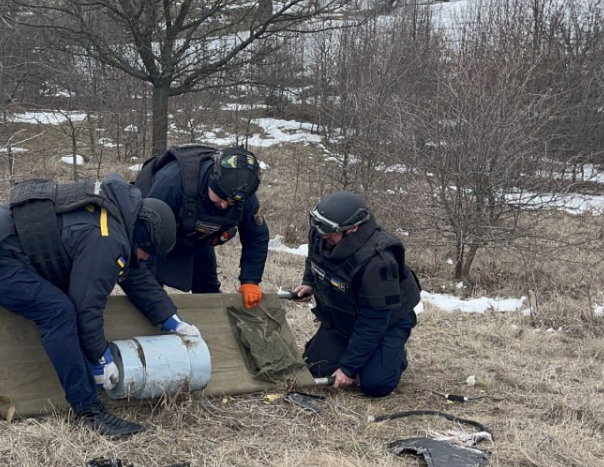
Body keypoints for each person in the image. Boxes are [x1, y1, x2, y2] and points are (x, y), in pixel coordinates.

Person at [0, 174, 200, 437]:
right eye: (148, 252)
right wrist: (100, 360)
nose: (147, 258)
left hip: (1, 247)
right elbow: (86, 307)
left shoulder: (117, 217)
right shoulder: (107, 239)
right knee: (57, 311)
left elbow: (133, 273)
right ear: (143, 235)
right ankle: (89, 411)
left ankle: (87, 402)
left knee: (61, 307)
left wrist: (171, 319)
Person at [290, 191, 420, 397]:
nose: (322, 235)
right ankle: (361, 352)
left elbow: (374, 320)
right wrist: (309, 282)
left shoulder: (378, 262)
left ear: (353, 228)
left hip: (387, 322)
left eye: (329, 232)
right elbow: (315, 260)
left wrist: (349, 369)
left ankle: (392, 355)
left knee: (375, 385)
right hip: (345, 316)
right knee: (316, 368)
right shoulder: (322, 232)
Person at [133, 144, 269, 309]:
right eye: (221, 197)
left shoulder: (243, 195)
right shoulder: (171, 183)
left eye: (231, 201)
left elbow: (256, 238)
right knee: (150, 293)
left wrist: (251, 280)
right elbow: (143, 238)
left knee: (208, 289)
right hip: (156, 235)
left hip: (198, 238)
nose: (225, 205)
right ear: (212, 180)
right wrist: (147, 292)